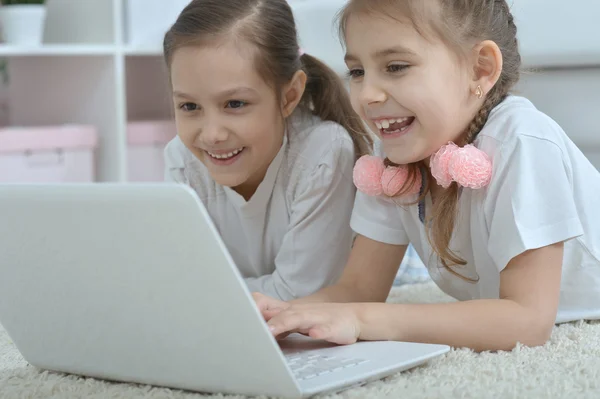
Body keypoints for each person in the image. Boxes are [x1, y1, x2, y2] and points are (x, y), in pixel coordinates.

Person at [255, 0, 600, 352]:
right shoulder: (392, 156)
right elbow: (358, 290)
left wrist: (363, 319)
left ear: (480, 69)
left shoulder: (522, 141)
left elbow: (528, 322)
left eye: (396, 66)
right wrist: (280, 314)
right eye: (358, 72)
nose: (369, 95)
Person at [162, 0, 372, 301]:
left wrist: (198, 294)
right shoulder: (181, 160)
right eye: (189, 106)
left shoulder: (322, 153)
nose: (212, 134)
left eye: (235, 104)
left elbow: (296, 294)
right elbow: (176, 281)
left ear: (289, 96)